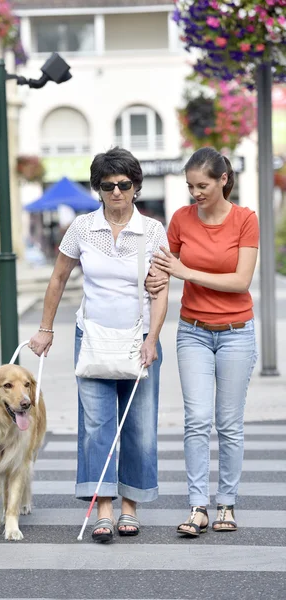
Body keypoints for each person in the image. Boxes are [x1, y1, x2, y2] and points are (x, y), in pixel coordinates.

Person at [28, 147, 169, 543]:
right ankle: (103, 508)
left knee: (139, 427)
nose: (117, 192)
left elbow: (161, 291)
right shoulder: (81, 228)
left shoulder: (153, 231)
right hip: (91, 336)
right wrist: (45, 329)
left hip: (139, 339)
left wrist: (154, 339)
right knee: (96, 425)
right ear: (98, 188)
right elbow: (57, 279)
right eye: (108, 186)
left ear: (136, 186)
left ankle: (130, 507)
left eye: (124, 185)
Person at [146, 147, 259, 536]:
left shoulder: (245, 220)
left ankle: (226, 504)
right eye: (191, 186)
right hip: (192, 331)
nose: (195, 193)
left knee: (228, 424)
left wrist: (184, 271)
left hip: (236, 334)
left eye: (203, 185)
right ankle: (198, 506)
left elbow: (240, 282)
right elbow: (165, 269)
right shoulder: (180, 219)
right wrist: (155, 278)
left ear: (223, 180)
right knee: (196, 421)